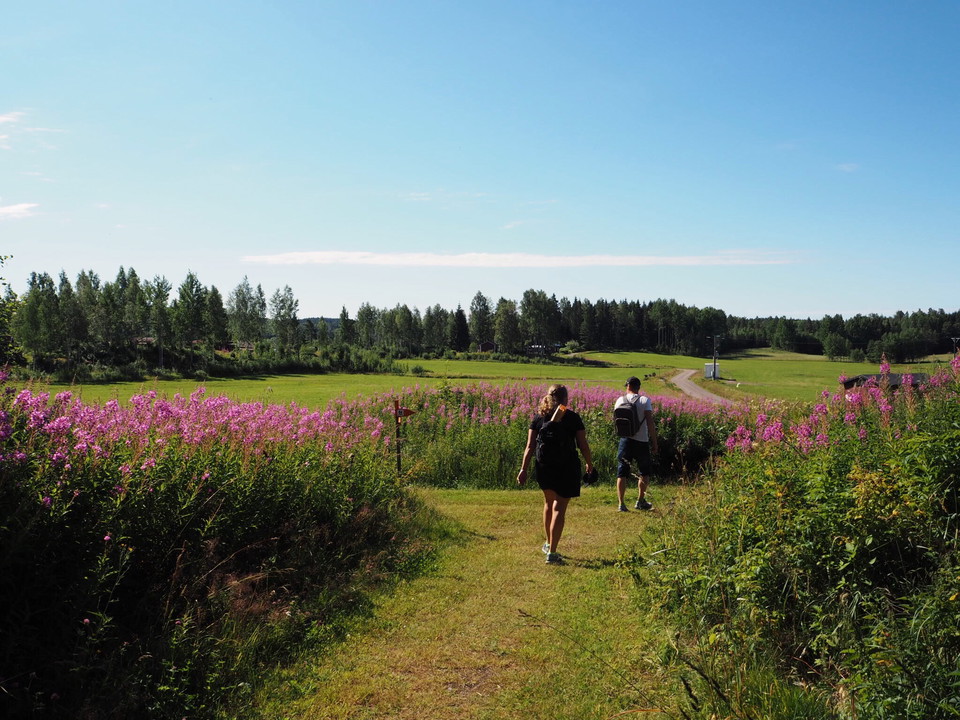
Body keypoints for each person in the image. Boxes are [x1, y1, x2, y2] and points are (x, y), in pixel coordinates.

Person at [517, 384, 594, 564]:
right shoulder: (573, 418)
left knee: (548, 503)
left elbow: (530, 447)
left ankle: (548, 542)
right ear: (566, 398)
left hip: (544, 467)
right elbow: (583, 444)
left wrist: (523, 469)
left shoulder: (538, 417)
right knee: (559, 507)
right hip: (567, 467)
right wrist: (590, 463)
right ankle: (552, 552)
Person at [614, 376, 658, 512]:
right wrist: (655, 442)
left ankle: (621, 504)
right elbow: (650, 423)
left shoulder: (619, 400)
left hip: (625, 440)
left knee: (622, 471)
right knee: (644, 472)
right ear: (639, 387)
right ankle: (640, 501)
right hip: (642, 441)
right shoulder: (645, 400)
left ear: (627, 386)